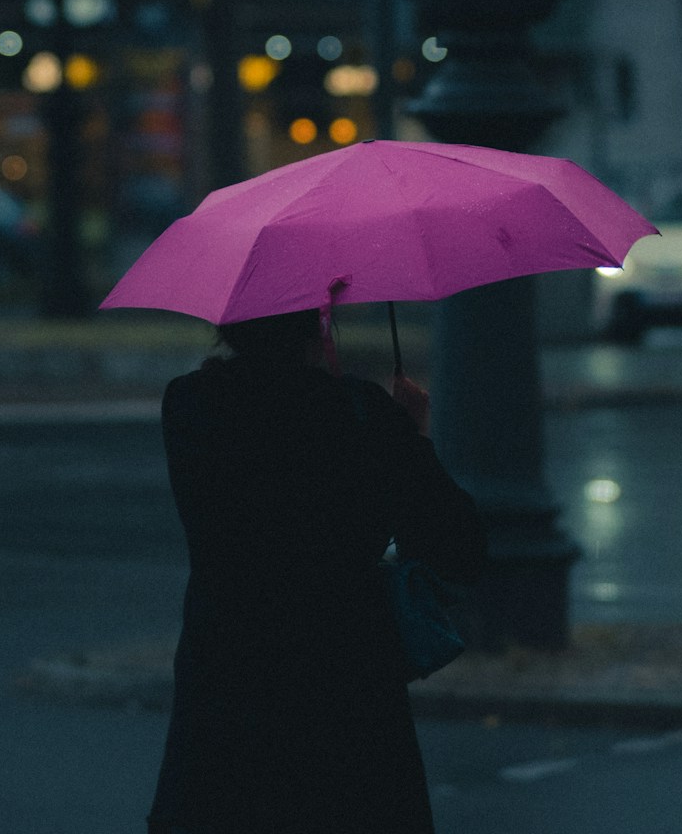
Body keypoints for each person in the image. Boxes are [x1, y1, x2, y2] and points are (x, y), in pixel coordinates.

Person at [147, 308, 487, 834]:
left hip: (224, 685)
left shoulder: (189, 404)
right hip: (344, 690)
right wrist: (411, 435)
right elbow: (460, 546)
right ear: (318, 324)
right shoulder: (359, 413)